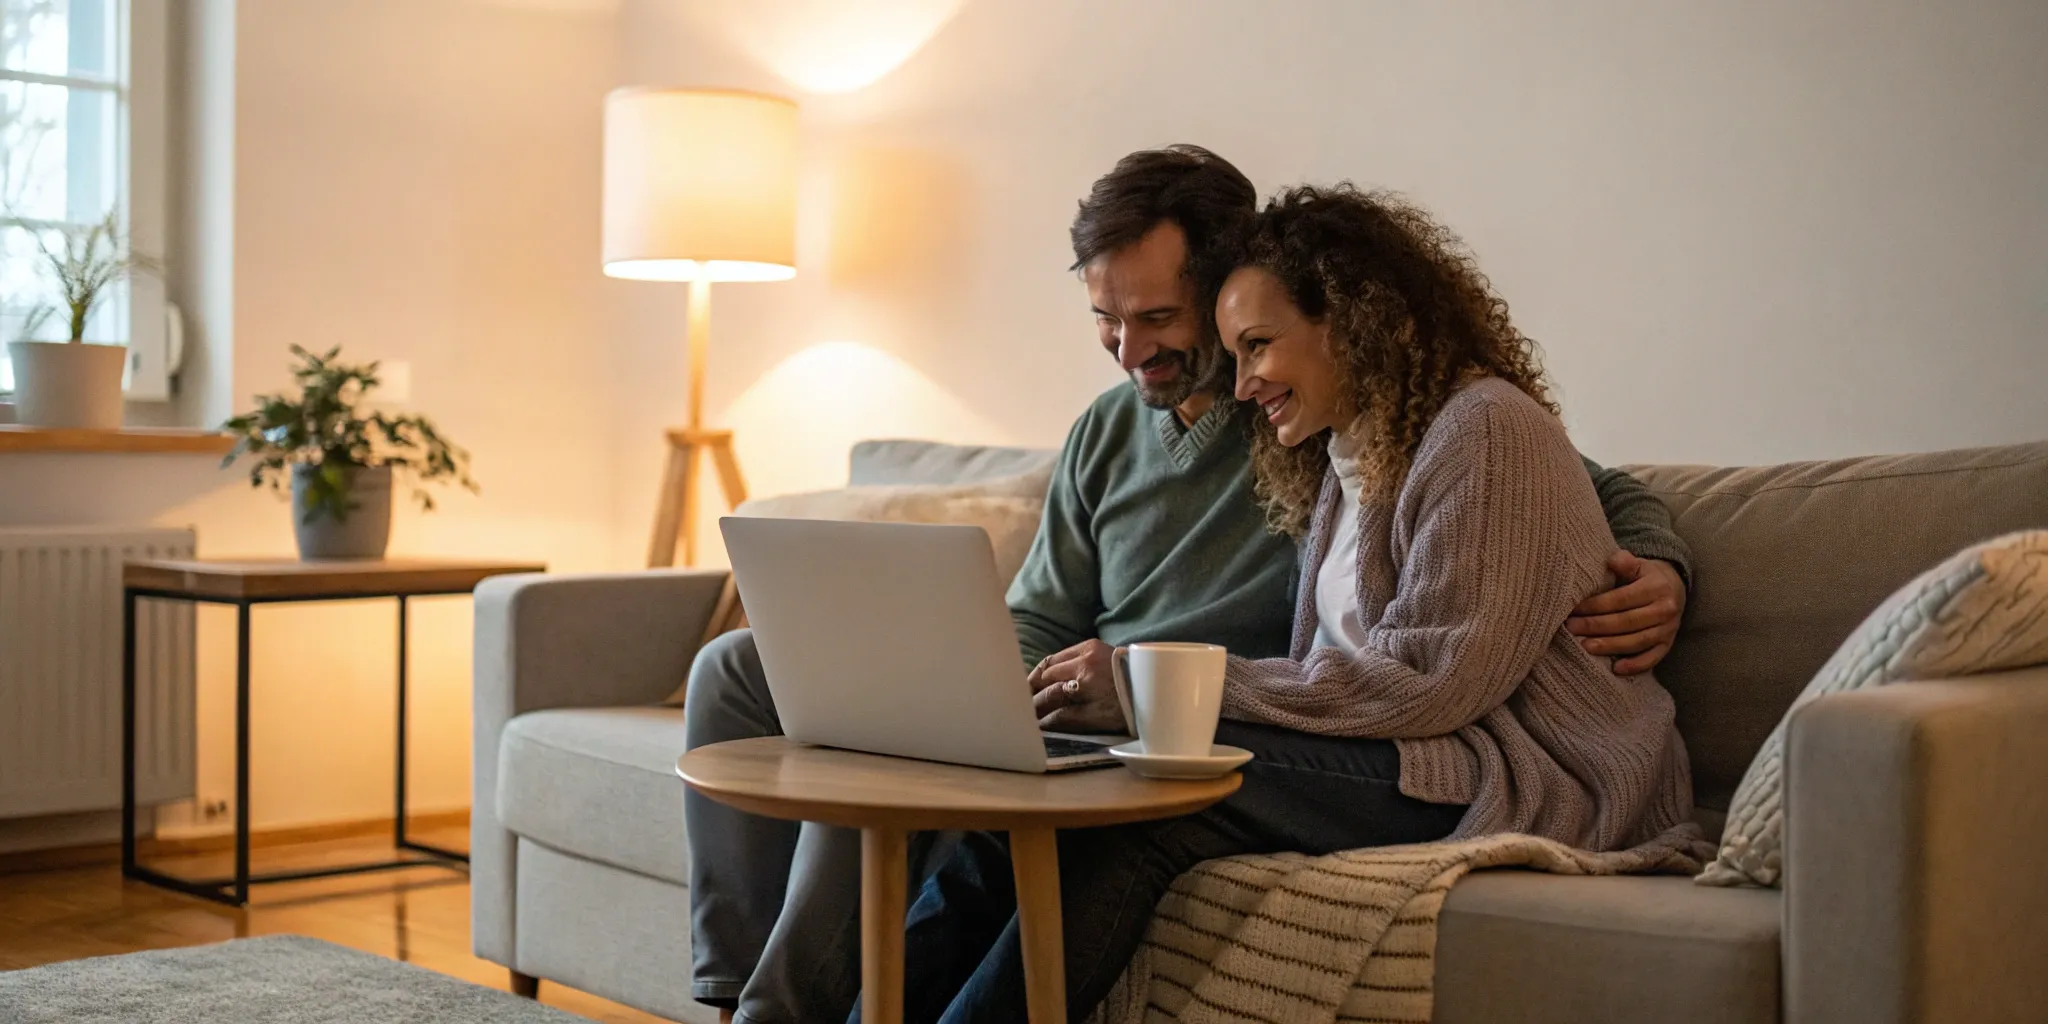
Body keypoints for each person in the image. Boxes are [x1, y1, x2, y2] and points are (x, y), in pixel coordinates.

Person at [684, 149, 1694, 1024]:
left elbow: (1554, 505)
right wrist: (995, 698)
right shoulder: (1326, 448)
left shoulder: (1394, 422)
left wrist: (1662, 561)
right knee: (802, 703)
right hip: (1181, 710)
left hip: (1420, 749)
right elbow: (1044, 607)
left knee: (1140, 802)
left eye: (1161, 317)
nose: (1130, 350)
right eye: (1103, 318)